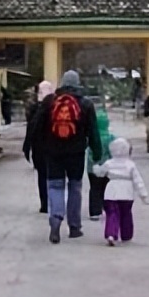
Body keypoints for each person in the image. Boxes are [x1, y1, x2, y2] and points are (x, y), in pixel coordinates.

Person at [27, 69, 101, 243]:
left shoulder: (49, 102)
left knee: (54, 186)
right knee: (75, 188)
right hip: (76, 153)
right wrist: (96, 153)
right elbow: (93, 132)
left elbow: (36, 126)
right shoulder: (86, 104)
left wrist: (36, 148)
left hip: (53, 153)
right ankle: (74, 227)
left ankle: (55, 220)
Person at [91, 137, 149, 245]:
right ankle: (126, 235)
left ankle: (111, 234)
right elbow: (137, 180)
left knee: (112, 213)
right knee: (126, 214)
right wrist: (143, 194)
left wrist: (95, 167)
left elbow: (100, 173)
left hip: (111, 190)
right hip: (127, 192)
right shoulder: (130, 165)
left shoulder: (109, 163)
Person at [22, 80, 53, 213]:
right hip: (54, 146)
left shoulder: (35, 108)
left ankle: (44, 204)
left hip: (39, 146)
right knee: (54, 176)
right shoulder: (56, 106)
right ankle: (55, 202)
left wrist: (27, 146)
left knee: (42, 176)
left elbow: (31, 128)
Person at [86, 101, 114, 220]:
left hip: (92, 168)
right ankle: (105, 207)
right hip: (107, 167)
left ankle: (94, 211)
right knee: (105, 188)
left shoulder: (91, 137)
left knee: (94, 188)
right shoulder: (111, 138)